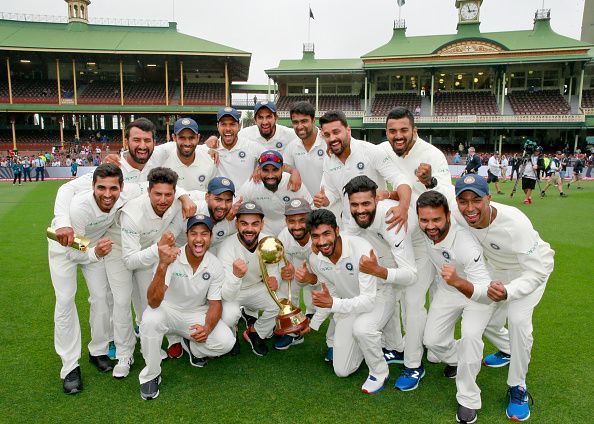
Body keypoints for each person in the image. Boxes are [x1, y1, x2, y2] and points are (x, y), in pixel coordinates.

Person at [454, 175, 554, 422]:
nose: (469, 208)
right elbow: (437, 190)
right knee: (474, 327)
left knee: (518, 321)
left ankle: (518, 385)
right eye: (463, 200)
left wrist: (509, 292)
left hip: (528, 272)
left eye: (476, 200)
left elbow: (537, 270)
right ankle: (505, 353)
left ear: (489, 198)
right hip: (493, 273)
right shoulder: (460, 213)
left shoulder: (515, 223)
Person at [377, 106, 455, 391]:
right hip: (410, 237)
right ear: (386, 132)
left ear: (414, 131)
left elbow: (448, 195)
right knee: (408, 297)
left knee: (433, 297)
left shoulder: (431, 155)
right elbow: (398, 187)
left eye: (403, 131)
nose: (398, 136)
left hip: (438, 236)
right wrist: (389, 193)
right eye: (392, 131)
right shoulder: (383, 150)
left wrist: (429, 181)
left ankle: (429, 357)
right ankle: (410, 357)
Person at [416, 190, 498, 424]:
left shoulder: (464, 243)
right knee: (431, 341)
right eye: (424, 220)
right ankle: (459, 359)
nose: (430, 225)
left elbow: (484, 290)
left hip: (477, 293)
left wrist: (458, 281)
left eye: (436, 220)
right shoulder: (423, 230)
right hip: (448, 291)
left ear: (448, 217)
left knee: (471, 337)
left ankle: (469, 399)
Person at [138, 215, 235, 400]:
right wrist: (163, 266)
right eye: (194, 234)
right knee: (150, 318)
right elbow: (153, 302)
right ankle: (151, 374)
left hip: (195, 314)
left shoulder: (214, 264)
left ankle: (193, 346)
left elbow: (215, 304)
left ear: (210, 236)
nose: (199, 239)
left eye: (204, 234)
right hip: (168, 311)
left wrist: (207, 328)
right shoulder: (171, 257)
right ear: (187, 235)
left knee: (226, 342)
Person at [48, 164, 125, 394]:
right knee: (65, 300)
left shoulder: (123, 196)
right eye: (101, 188)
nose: (107, 194)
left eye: (113, 188)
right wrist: (94, 253)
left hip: (91, 245)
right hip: (65, 246)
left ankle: (98, 350)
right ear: (92, 186)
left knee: (102, 297)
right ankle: (69, 366)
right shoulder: (80, 207)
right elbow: (73, 252)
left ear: (122, 187)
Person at [299, 209, 387, 394]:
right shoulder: (317, 260)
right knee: (342, 371)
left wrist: (333, 304)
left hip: (378, 298)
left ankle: (379, 372)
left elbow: (368, 302)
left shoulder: (361, 249)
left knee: (362, 329)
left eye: (326, 234)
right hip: (349, 304)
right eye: (315, 236)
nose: (322, 242)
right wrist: (313, 324)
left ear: (337, 230)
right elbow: (328, 296)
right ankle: (366, 346)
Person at [341, 176, 417, 370]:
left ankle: (414, 360)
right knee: (385, 286)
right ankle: (395, 347)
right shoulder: (354, 215)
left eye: (366, 203)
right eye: (354, 204)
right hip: (385, 242)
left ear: (377, 200)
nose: (360, 210)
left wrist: (379, 271)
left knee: (412, 299)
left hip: (420, 244)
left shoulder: (391, 221)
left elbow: (410, 274)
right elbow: (347, 242)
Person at [314, 110, 411, 230]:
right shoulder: (328, 160)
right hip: (349, 226)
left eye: (336, 132)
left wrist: (403, 208)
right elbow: (332, 192)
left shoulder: (371, 151)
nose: (332, 138)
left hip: (377, 225)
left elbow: (400, 180)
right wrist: (325, 200)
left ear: (348, 130)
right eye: (327, 135)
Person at [120, 167, 185, 338]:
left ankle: (172, 334)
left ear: (175, 193)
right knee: (129, 299)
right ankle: (133, 337)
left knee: (166, 292)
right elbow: (129, 260)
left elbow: (200, 196)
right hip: (124, 249)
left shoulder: (178, 201)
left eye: (168, 195)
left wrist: (187, 199)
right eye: (158, 194)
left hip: (156, 246)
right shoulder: (132, 214)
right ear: (148, 191)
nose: (163, 200)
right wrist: (158, 248)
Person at [218, 202, 281, 357]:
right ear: (236, 224)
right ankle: (232, 336)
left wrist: (275, 279)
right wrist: (236, 276)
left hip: (256, 288)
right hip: (233, 293)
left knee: (279, 304)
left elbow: (274, 270)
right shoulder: (227, 247)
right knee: (229, 315)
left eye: (255, 224)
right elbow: (227, 295)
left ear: (262, 224)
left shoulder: (269, 242)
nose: (249, 229)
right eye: (244, 223)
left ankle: (255, 332)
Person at [237, 150, 312, 236]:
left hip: (292, 229)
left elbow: (311, 208)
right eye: (265, 170)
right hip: (264, 231)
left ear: (282, 168)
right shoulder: (252, 184)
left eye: (275, 170)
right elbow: (237, 206)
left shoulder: (293, 181)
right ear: (259, 170)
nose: (270, 175)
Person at [275, 198, 317, 350]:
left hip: (319, 265)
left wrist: (311, 278)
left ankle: (313, 315)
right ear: (286, 221)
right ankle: (294, 331)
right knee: (284, 288)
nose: (297, 226)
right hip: (296, 262)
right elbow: (281, 263)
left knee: (321, 294)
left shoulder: (320, 232)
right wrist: (284, 270)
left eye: (302, 220)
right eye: (292, 221)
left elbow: (331, 273)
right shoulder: (283, 236)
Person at [283, 101, 327, 198]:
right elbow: (284, 166)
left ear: (313, 120)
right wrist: (293, 171)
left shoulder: (327, 141)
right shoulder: (292, 146)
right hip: (305, 207)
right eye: (295, 122)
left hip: (330, 206)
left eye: (304, 121)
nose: (299, 126)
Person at [161, 117, 216, 192]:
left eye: (191, 138)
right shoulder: (163, 162)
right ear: (174, 138)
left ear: (198, 138)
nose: (187, 143)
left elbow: (212, 193)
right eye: (182, 138)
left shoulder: (210, 160)